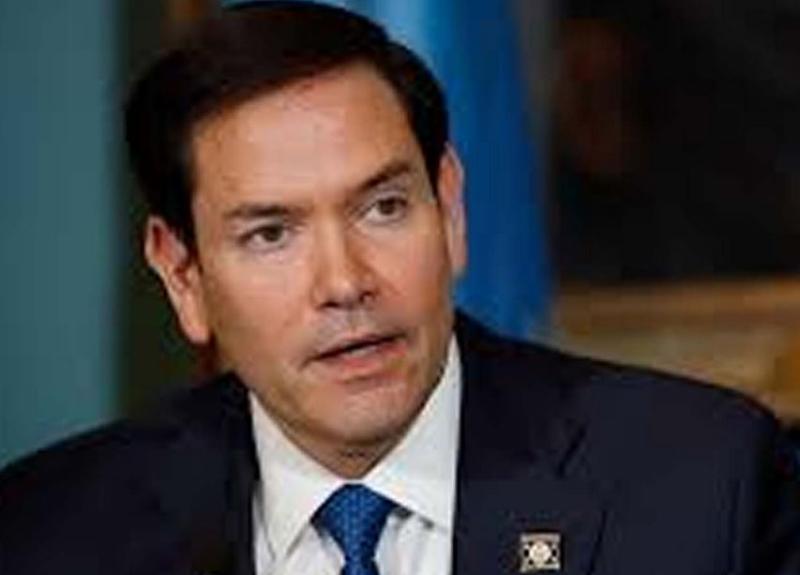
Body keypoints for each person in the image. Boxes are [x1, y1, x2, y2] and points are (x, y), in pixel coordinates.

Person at [1, 2, 798, 574]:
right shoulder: (49, 532)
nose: (346, 282)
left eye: (383, 207)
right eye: (270, 234)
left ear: (448, 208)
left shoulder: (703, 483)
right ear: (184, 276)